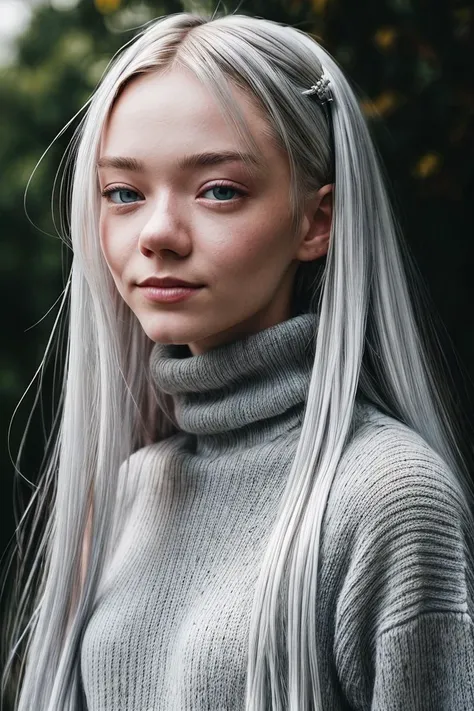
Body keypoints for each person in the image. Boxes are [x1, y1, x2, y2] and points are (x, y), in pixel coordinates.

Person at [3, 10, 474, 711]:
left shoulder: (389, 497)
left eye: (219, 189)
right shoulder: (130, 490)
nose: (158, 232)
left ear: (316, 222)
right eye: (123, 193)